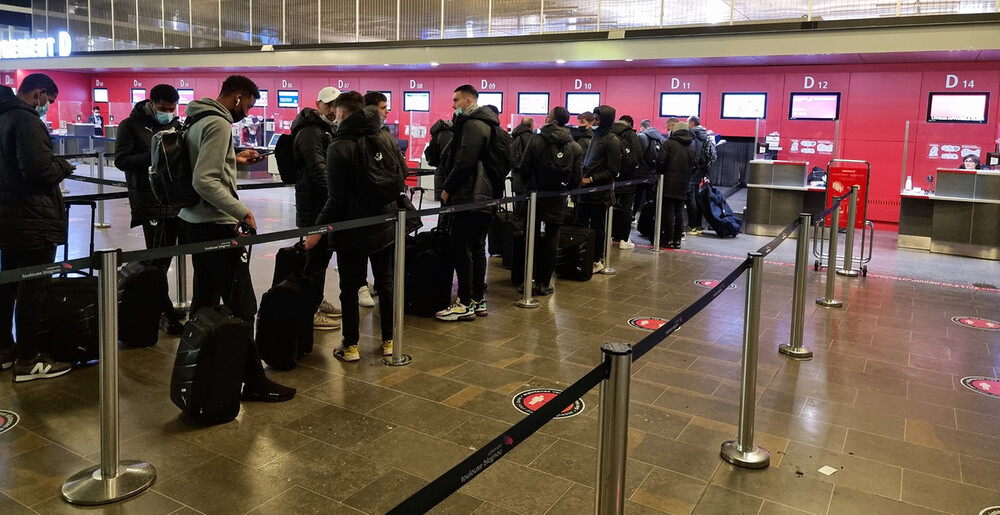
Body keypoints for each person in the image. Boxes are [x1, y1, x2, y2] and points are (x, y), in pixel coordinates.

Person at [179, 74, 295, 402]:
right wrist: (241, 210)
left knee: (204, 302)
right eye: (250, 105)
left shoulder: (195, 117)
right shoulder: (218, 123)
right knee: (243, 306)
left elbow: (201, 167)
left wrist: (234, 160)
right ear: (239, 97)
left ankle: (200, 367)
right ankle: (254, 380)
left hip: (193, 221)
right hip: (216, 224)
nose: (247, 112)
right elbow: (204, 180)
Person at [306, 91, 405, 362]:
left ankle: (350, 347)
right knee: (385, 283)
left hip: (351, 230)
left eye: (337, 112)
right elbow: (401, 175)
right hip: (384, 223)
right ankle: (389, 341)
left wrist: (316, 230)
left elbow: (335, 199)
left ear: (343, 113)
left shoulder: (339, 146)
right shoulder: (384, 136)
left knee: (349, 288)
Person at [0, 73, 76, 382]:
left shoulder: (3, 117)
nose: (47, 107)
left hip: (8, 218)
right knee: (33, 286)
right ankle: (29, 359)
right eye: (49, 101)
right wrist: (63, 165)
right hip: (31, 219)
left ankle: (5, 350)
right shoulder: (26, 120)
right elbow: (38, 171)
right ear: (40, 94)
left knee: (9, 284)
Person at [114, 83, 187, 335]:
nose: (169, 112)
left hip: (176, 201)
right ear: (152, 103)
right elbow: (121, 160)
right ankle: (163, 312)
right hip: (149, 201)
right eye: (164, 108)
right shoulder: (130, 125)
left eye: (173, 108)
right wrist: (156, 155)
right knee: (158, 260)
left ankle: (159, 307)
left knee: (163, 259)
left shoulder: (176, 125)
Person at [435, 84, 500, 322]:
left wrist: (447, 189)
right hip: (486, 196)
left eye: (456, 100)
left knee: (461, 249)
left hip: (470, 196)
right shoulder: (491, 124)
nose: (453, 105)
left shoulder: (473, 125)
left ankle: (463, 302)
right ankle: (476, 300)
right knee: (476, 248)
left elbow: (464, 161)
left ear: (469, 101)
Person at [289, 86, 342, 330]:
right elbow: (318, 169)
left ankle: (317, 302)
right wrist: (336, 196)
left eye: (336, 105)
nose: (332, 110)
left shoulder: (325, 129)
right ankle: (309, 310)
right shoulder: (310, 130)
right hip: (314, 205)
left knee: (321, 257)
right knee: (312, 258)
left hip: (321, 203)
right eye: (328, 105)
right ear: (318, 104)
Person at [518, 106, 583, 295]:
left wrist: (530, 185)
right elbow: (576, 177)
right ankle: (544, 282)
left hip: (535, 194)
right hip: (557, 197)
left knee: (531, 236)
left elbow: (524, 168)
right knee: (552, 238)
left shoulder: (536, 140)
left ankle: (527, 280)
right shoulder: (575, 146)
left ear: (553, 121)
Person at [577, 105, 622, 273]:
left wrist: (591, 179)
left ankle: (596, 260)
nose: (593, 122)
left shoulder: (612, 141)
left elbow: (613, 171)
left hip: (599, 193)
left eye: (597, 119)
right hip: (584, 192)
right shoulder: (595, 137)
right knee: (581, 225)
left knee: (597, 227)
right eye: (593, 119)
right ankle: (583, 256)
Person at [656, 121, 695, 249]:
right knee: (679, 212)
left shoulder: (669, 143)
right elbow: (693, 166)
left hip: (668, 182)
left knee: (667, 211)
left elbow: (661, 162)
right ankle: (677, 240)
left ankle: (668, 239)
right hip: (683, 184)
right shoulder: (691, 146)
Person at [610, 114, 643, 249]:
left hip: (611, 177)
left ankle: (610, 236)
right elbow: (638, 156)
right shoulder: (630, 134)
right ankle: (624, 239)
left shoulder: (609, 132)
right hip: (628, 179)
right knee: (625, 208)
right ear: (629, 123)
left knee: (610, 206)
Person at [686, 116, 715, 234]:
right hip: (702, 170)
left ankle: (691, 225)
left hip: (693, 170)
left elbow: (694, 154)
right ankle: (698, 225)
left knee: (690, 197)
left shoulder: (694, 135)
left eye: (688, 122)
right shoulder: (705, 135)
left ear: (692, 123)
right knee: (698, 197)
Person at [635, 118, 665, 217]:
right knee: (650, 197)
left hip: (641, 172)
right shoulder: (661, 138)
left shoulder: (641, 136)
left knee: (638, 196)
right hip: (653, 173)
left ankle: (633, 215)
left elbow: (638, 154)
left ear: (642, 127)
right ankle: (649, 218)